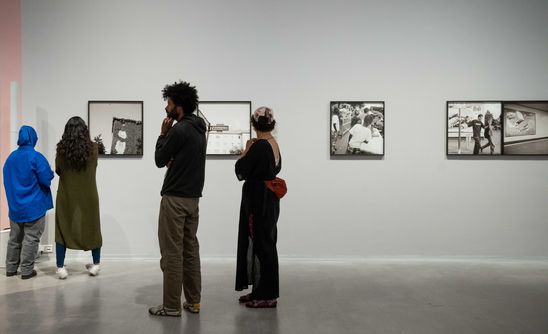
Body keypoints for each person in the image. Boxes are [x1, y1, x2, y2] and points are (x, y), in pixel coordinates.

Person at [149, 81, 207, 317]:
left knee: (172, 253)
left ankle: (171, 306)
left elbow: (159, 159)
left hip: (174, 199)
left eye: (169, 103)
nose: (167, 107)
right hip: (193, 199)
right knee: (190, 250)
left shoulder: (179, 129)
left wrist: (162, 135)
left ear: (179, 106)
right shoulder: (198, 129)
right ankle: (194, 302)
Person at [235, 106, 281, 308]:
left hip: (258, 199)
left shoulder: (259, 146)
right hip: (267, 198)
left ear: (254, 125)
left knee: (262, 245)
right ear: (272, 124)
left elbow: (240, 171)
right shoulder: (273, 143)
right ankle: (260, 291)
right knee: (265, 243)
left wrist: (245, 151)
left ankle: (267, 295)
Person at [3, 126, 53, 279]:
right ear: (33, 138)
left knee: (14, 239)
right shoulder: (36, 157)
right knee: (31, 239)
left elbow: (7, 180)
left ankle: (10, 268)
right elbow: (46, 178)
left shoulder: (11, 158)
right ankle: (26, 271)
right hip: (34, 207)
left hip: (15, 207)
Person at [54, 117, 102, 279]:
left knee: (62, 228)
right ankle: (95, 265)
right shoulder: (94, 149)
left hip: (66, 195)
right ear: (84, 130)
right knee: (92, 227)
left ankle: (60, 268)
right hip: (89, 195)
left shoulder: (61, 150)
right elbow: (94, 167)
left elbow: (58, 170)